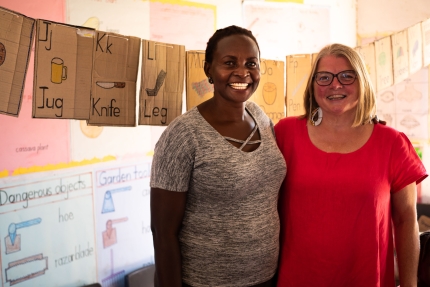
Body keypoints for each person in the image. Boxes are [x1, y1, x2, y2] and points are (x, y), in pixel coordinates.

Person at [274, 43, 428, 287]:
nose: (335, 85)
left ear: (363, 82)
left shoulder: (392, 143)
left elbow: (406, 219)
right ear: (313, 86)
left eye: (347, 76)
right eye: (324, 77)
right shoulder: (285, 134)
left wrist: (409, 284)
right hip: (296, 279)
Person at [150, 25, 287, 287]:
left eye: (251, 63)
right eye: (229, 62)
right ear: (209, 70)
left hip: (267, 277)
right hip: (206, 282)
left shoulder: (261, 118)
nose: (242, 72)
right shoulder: (183, 135)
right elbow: (162, 232)